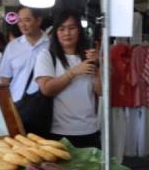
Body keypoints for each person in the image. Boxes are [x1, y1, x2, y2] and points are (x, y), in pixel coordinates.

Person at [33, 9, 102, 149]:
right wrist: (73, 72)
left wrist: (98, 66)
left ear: (79, 31)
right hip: (59, 132)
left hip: (90, 129)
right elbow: (46, 89)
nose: (67, 33)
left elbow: (101, 91)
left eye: (72, 28)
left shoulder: (89, 56)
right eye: (62, 29)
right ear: (56, 32)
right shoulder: (46, 56)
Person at [0, 6, 50, 102]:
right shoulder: (12, 46)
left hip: (43, 105)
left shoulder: (51, 45)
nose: (22, 25)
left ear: (38, 21)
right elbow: (4, 78)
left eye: (27, 20)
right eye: (19, 21)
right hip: (16, 104)